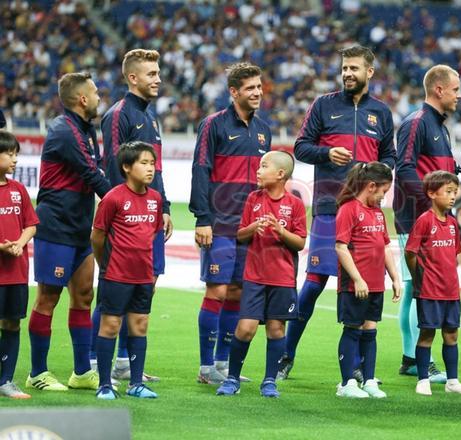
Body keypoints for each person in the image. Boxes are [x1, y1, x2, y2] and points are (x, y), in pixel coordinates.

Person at [279, 45, 396, 381]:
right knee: (314, 284)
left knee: (364, 289)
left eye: (354, 68)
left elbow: (391, 158)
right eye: (345, 68)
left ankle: (358, 368)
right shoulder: (323, 105)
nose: (348, 73)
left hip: (368, 214)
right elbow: (301, 147)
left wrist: (376, 171)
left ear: (369, 72)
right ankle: (286, 355)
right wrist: (328, 153)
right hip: (330, 209)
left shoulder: (381, 113)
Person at [27, 72, 111, 392]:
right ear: (82, 99)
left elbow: (95, 172)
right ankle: (37, 372)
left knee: (83, 297)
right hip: (55, 226)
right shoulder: (64, 130)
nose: (99, 96)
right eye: (95, 92)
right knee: (48, 299)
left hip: (78, 228)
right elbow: (91, 174)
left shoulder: (86, 130)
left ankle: (81, 372)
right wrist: (123, 202)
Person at [189, 62, 271, 384]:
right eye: (250, 88)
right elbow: (200, 170)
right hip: (220, 224)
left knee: (237, 292)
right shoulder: (213, 125)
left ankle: (223, 364)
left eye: (260, 87)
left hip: (248, 228)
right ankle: (206, 367)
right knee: (218, 290)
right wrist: (202, 218)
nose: (257, 93)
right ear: (234, 92)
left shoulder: (263, 129)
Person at [97, 49, 172, 383]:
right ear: (133, 78)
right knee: (114, 290)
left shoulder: (150, 116)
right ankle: (91, 362)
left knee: (145, 287)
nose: (157, 79)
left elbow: (155, 170)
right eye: (151, 74)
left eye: (158, 73)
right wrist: (121, 213)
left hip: (151, 214)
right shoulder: (119, 114)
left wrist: (165, 207)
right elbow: (114, 165)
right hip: (126, 219)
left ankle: (125, 362)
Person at [216, 152, 306, 398]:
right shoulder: (253, 198)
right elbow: (240, 234)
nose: (258, 170)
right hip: (254, 276)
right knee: (245, 328)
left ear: (281, 174)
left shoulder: (295, 204)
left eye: (264, 166)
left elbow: (299, 243)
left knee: (276, 330)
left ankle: (269, 381)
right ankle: (232, 378)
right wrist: (254, 227)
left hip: (283, 279)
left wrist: (279, 230)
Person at [393, 65, 460, 381]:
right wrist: (430, 204)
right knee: (414, 287)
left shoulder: (440, 127)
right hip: (415, 220)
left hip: (433, 219)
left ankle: (414, 357)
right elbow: (404, 169)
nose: (459, 95)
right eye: (456, 89)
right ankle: (415, 358)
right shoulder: (416, 123)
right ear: (439, 90)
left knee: (418, 286)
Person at [92, 141, 163, 400]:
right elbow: (97, 237)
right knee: (110, 326)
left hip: (143, 276)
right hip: (116, 275)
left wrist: (152, 273)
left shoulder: (155, 199)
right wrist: (105, 265)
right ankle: (104, 384)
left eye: (152, 163)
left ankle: (136, 383)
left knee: (140, 326)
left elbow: (152, 239)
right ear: (126, 166)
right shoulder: (113, 198)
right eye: (143, 163)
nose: (150, 168)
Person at [404, 171, 461, 396]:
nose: (453, 196)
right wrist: (420, 278)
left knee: (451, 334)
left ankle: (452, 381)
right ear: (432, 193)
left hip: (451, 290)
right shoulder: (425, 220)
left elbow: (454, 254)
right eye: (448, 191)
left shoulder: (453, 223)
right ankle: (423, 379)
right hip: (429, 290)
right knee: (427, 333)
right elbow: (410, 253)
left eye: (455, 191)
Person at [334, 162, 401, 398]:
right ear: (371, 186)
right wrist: (358, 279)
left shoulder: (378, 213)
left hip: (375, 283)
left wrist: (395, 276)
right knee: (352, 329)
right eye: (383, 191)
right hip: (355, 284)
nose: (384, 196)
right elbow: (341, 247)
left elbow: (384, 246)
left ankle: (369, 380)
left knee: (370, 331)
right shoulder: (349, 209)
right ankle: (346, 383)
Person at [0, 132, 38, 399]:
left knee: (12, 324)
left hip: (16, 273)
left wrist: (19, 243)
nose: (15, 159)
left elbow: (31, 224)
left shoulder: (18, 190)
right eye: (9, 154)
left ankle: (6, 381)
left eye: (16, 154)